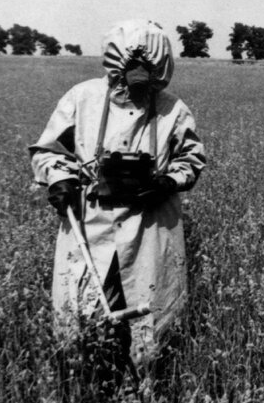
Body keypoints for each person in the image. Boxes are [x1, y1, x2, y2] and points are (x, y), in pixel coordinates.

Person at [29, 20, 206, 384]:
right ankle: (82, 388)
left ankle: (147, 389)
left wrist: (166, 182)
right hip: (89, 221)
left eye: (147, 72)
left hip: (149, 226)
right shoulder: (83, 98)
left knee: (151, 319)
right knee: (76, 314)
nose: (136, 80)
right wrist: (59, 179)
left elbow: (191, 160)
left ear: (161, 69)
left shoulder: (174, 110)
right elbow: (47, 151)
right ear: (115, 63)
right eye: (129, 70)